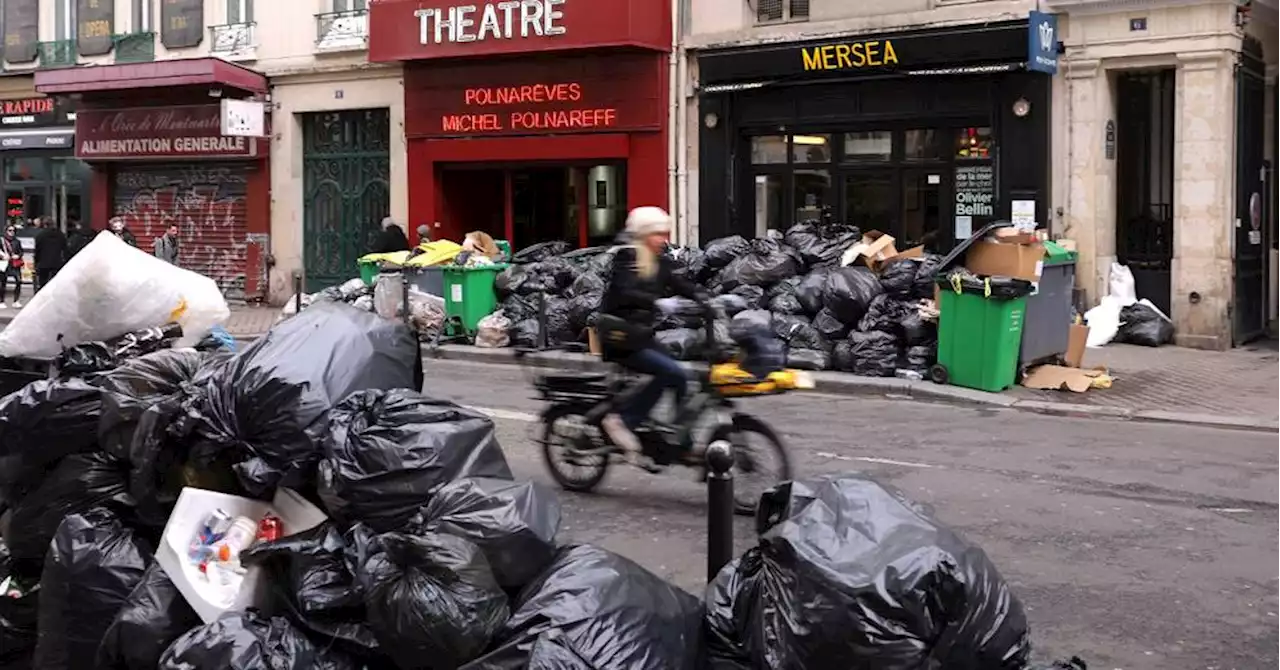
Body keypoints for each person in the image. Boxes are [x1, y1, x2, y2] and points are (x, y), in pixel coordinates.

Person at [595, 206, 707, 464]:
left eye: (664, 233)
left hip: (641, 335)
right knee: (671, 372)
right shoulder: (628, 258)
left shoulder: (660, 261)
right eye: (657, 233)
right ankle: (622, 420)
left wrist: (708, 299)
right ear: (644, 234)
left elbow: (681, 284)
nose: (663, 239)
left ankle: (683, 442)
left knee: (681, 377)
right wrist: (658, 302)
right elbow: (624, 291)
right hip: (620, 337)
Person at [33, 216, 68, 292]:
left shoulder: (40, 235)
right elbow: (65, 249)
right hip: (56, 262)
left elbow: (37, 250)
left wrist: (36, 262)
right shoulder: (60, 234)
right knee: (55, 283)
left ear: (44, 225)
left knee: (43, 283)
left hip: (44, 263)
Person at [0, 225, 24, 308]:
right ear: (6, 231)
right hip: (4, 263)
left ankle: (16, 300)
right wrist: (2, 256)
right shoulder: (2, 241)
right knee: (3, 282)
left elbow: (21, 251)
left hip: (14, 264)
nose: (12, 232)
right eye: (10, 230)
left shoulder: (17, 241)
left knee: (18, 281)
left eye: (13, 230)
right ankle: (1, 301)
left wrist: (18, 256)